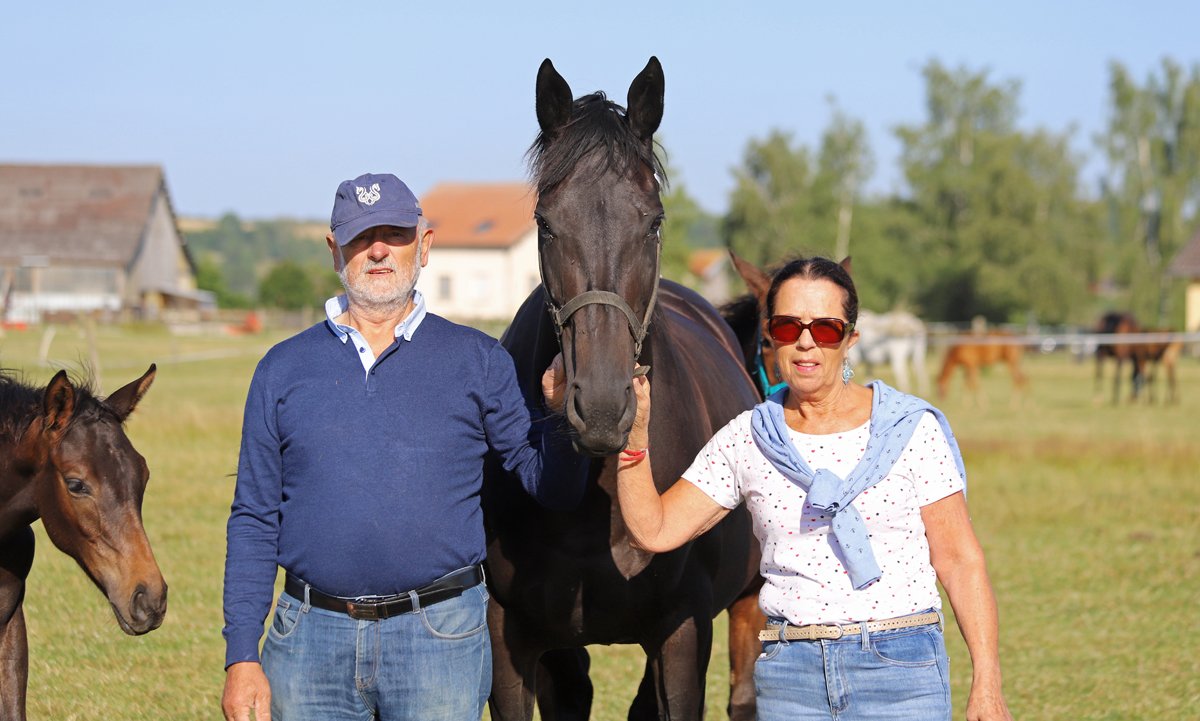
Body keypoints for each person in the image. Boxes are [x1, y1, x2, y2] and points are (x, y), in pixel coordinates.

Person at [220, 172, 581, 721]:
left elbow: (548, 484)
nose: (379, 250)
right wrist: (243, 654)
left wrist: (562, 418)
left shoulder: (479, 361)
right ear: (334, 250)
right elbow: (254, 516)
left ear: (424, 245)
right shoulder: (281, 369)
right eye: (361, 236)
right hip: (309, 641)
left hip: (439, 639)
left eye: (394, 233)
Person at [614, 257, 1013, 720]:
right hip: (791, 678)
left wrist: (987, 681)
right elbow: (654, 530)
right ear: (770, 334)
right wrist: (634, 440)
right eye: (788, 327)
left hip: (901, 669)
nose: (805, 342)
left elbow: (960, 560)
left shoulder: (912, 428)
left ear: (850, 339)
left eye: (825, 328)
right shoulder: (748, 438)